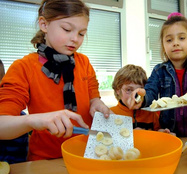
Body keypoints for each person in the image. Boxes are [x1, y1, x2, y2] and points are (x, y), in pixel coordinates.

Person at [0, 0, 111, 161]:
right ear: (44, 25)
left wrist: (97, 105)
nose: (75, 39)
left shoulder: (84, 63)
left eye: (81, 33)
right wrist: (33, 120)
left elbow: (93, 98)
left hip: (88, 155)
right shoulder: (23, 67)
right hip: (46, 160)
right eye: (67, 29)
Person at [127, 13, 187, 137]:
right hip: (170, 134)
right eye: (169, 40)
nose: (175, 43)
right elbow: (150, 93)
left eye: (181, 38)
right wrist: (141, 98)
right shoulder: (159, 71)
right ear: (164, 46)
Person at [111, 64, 161, 131]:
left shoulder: (151, 114)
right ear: (118, 90)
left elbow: (157, 133)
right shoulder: (111, 114)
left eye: (140, 90)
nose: (134, 95)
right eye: (129, 90)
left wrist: (162, 132)